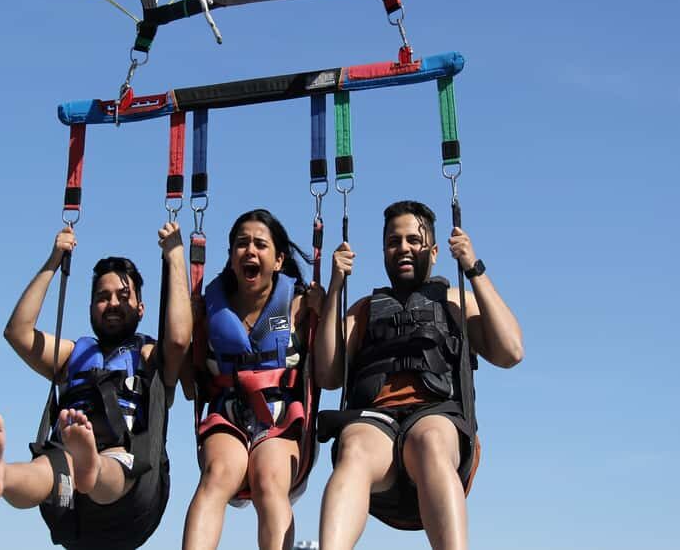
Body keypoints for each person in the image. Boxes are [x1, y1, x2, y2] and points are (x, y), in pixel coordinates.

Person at [314, 200, 524, 550]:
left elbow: (511, 351)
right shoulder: (364, 309)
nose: (404, 248)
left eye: (415, 239)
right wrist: (336, 286)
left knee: (429, 441)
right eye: (394, 241)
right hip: (376, 424)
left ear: (435, 250)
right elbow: (327, 375)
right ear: (383, 251)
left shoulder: (456, 301)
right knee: (353, 447)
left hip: (435, 417)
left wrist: (473, 267)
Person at [0, 222, 192, 550]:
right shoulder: (73, 354)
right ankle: (0, 477)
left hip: (130, 483)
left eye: (123, 296)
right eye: (102, 297)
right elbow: (17, 332)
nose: (113, 303)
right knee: (47, 469)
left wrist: (175, 257)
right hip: (71, 495)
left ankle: (91, 465)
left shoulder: (149, 356)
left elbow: (178, 338)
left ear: (141, 309)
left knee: (108, 466)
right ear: (90, 309)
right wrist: (54, 261)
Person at [180, 209, 323, 550]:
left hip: (280, 418)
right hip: (226, 415)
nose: (250, 251)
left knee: (268, 480)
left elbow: (330, 371)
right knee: (217, 475)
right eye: (241, 244)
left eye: (261, 244)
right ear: (231, 258)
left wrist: (328, 307)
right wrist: (187, 317)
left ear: (278, 260)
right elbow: (187, 382)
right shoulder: (208, 311)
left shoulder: (301, 307)